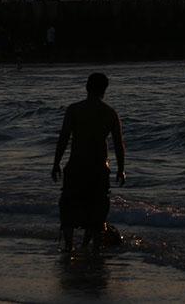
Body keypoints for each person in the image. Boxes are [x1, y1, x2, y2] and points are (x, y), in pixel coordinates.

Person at [53, 72, 126, 254]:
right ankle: (90, 248)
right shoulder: (110, 113)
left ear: (87, 87)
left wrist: (55, 163)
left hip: (76, 165)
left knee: (69, 206)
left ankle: (69, 246)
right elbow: (119, 145)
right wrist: (121, 170)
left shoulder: (74, 110)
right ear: (104, 90)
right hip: (99, 168)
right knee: (97, 208)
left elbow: (63, 139)